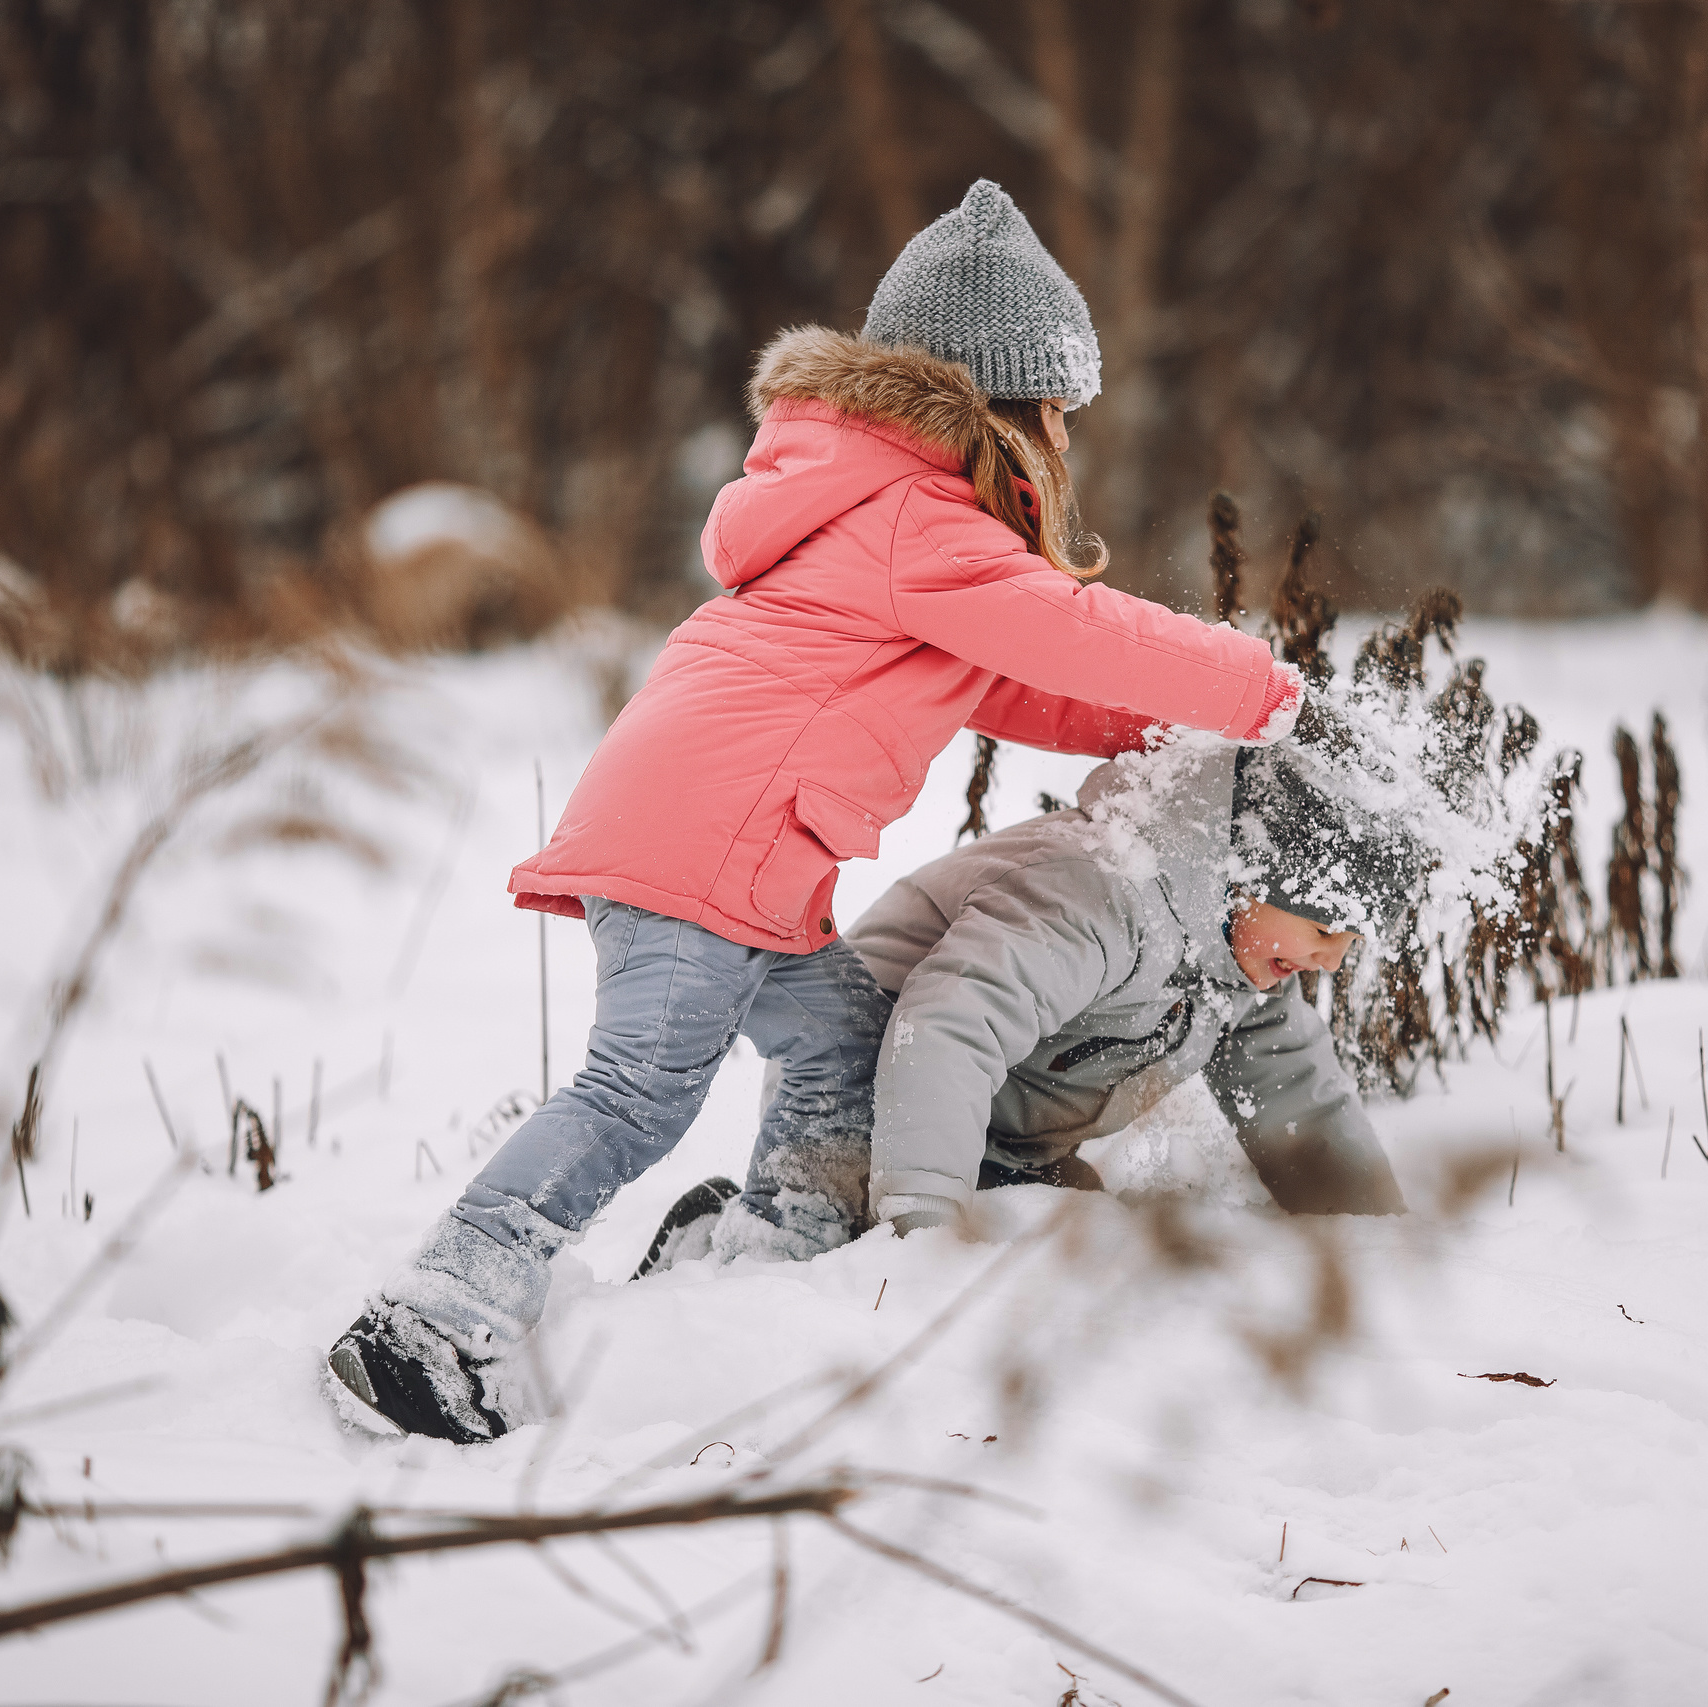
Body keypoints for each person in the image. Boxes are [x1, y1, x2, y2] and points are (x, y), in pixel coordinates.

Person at [328, 179, 1306, 1443]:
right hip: (702, 860)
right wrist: (1267, 691)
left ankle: (774, 1246)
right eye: (1056, 411)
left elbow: (1022, 684)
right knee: (637, 1095)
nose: (1067, 441)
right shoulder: (920, 527)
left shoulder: (874, 523)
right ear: (996, 410)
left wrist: (1169, 732)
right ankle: (434, 1316)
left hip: (742, 867)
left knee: (843, 1047)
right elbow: (1076, 633)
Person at [639, 734, 1422, 1275]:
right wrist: (922, 1235)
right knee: (825, 1259)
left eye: (1347, 944)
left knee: (1070, 1261)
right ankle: (713, 1247)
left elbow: (1303, 1106)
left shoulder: (1241, 967)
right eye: (1320, 926)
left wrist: (1375, 1242)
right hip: (866, 1077)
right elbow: (947, 1027)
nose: (1327, 959)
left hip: (1000, 1139)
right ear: (1245, 871)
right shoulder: (1103, 892)